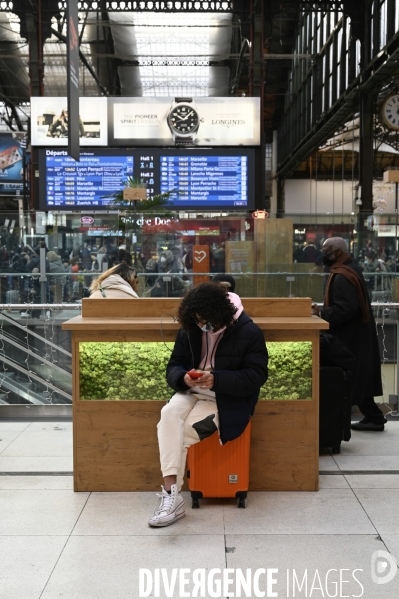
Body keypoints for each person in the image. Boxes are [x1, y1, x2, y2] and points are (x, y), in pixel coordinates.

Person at [148, 283, 268, 527]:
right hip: (190, 391)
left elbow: (256, 376)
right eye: (197, 319)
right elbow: (173, 366)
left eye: (205, 319)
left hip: (225, 399)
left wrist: (217, 379)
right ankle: (173, 499)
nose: (201, 324)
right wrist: (182, 377)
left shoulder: (248, 331)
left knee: (179, 433)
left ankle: (171, 499)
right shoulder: (191, 328)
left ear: (219, 313)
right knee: (168, 415)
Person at [311, 237, 385, 431]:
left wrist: (321, 313)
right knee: (361, 376)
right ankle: (374, 417)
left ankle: (368, 418)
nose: (323, 254)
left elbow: (345, 309)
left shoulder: (343, 275)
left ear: (337, 253)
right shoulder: (349, 269)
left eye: (326, 251)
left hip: (350, 335)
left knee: (354, 376)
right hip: (358, 333)